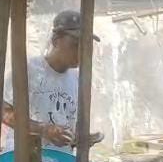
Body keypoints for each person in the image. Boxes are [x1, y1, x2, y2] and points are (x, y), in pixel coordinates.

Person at [1, 10, 103, 152]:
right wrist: (43, 129)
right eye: (75, 44)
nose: (81, 51)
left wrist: (79, 139)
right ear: (55, 41)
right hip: (26, 159)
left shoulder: (77, 79)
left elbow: (68, 123)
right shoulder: (29, 70)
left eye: (86, 46)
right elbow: (5, 113)